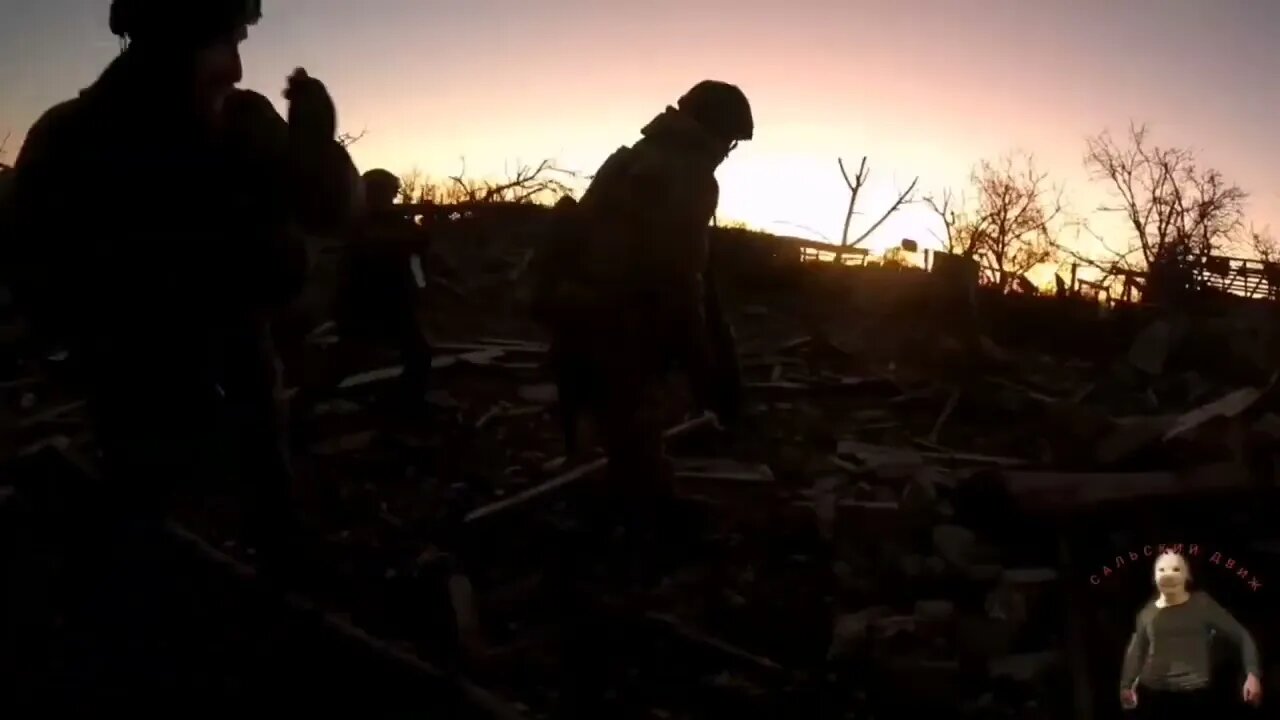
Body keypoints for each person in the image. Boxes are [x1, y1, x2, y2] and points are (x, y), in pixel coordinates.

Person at [7, 0, 358, 699]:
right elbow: (32, 271)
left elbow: (333, 211)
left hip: (218, 354)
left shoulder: (230, 122)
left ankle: (260, 601)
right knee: (150, 506)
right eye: (228, 39)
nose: (236, 61)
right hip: (143, 366)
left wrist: (319, 143)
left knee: (251, 489)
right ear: (177, 43)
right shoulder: (82, 135)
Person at [531, 80, 750, 542]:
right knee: (637, 421)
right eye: (730, 141)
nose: (728, 153)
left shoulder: (632, 157)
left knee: (606, 413)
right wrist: (702, 361)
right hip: (621, 314)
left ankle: (603, 501)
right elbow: (678, 274)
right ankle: (639, 528)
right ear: (716, 131)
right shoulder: (688, 174)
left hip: (578, 303)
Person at [1120, 551, 1262, 718]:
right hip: (1155, 695)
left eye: (1176, 569)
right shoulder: (1146, 614)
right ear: (1154, 577)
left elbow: (1241, 635)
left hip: (1195, 695)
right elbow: (1136, 651)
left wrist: (1252, 674)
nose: (1169, 576)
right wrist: (1126, 685)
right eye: (1162, 570)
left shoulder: (1202, 604)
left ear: (1187, 575)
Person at [334, 168, 434, 406]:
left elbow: (420, 247)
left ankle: (404, 404)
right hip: (371, 304)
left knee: (417, 357)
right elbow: (415, 243)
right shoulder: (363, 225)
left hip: (381, 304)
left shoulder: (368, 224)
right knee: (344, 361)